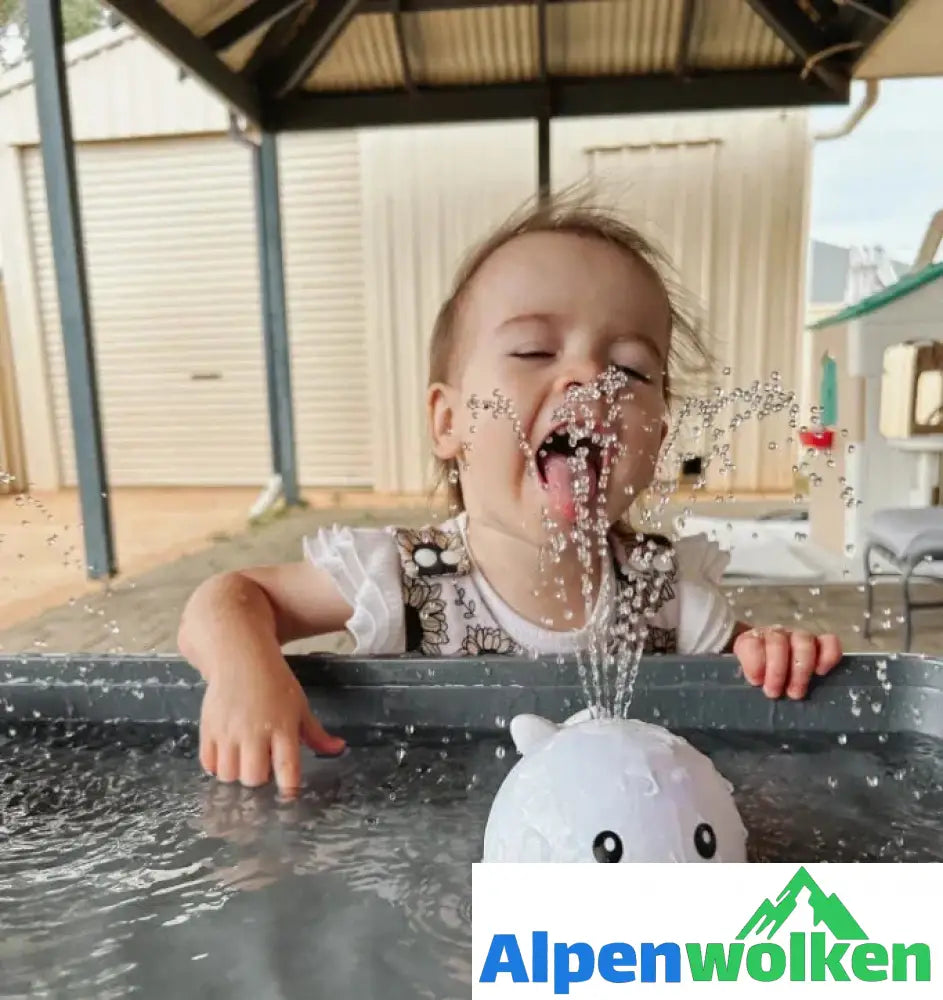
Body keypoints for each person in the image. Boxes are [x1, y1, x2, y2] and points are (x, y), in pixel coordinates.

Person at [178, 196, 843, 794]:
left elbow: (760, 672)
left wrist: (779, 653)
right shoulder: (399, 581)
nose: (588, 380)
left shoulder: (667, 596)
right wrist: (246, 672)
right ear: (450, 421)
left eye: (630, 369)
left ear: (657, 439)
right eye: (532, 351)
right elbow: (228, 598)